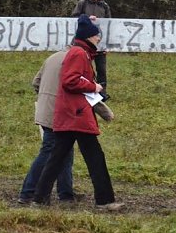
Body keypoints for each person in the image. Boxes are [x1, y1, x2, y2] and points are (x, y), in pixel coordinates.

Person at [32, 15, 123, 210]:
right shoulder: (78, 54)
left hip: (70, 114)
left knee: (56, 158)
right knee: (95, 157)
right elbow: (70, 80)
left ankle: (39, 198)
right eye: (96, 35)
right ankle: (105, 200)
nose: (99, 38)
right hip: (77, 114)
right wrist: (94, 86)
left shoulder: (81, 53)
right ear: (89, 36)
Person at [18, 48, 115, 204]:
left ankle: (65, 194)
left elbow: (36, 82)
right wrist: (106, 113)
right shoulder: (77, 60)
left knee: (62, 152)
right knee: (50, 152)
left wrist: (44, 98)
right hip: (60, 113)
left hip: (46, 110)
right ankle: (29, 193)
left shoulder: (52, 57)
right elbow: (85, 93)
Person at [71, 0, 112, 100]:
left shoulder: (105, 6)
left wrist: (107, 45)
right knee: (85, 67)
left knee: (101, 69)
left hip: (99, 42)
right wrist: (87, 19)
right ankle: (85, 90)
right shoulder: (82, 2)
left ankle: (102, 93)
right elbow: (74, 17)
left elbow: (109, 24)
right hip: (84, 43)